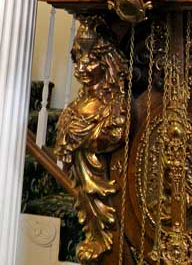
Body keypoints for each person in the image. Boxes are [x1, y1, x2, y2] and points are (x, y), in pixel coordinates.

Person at [55, 17, 127, 262]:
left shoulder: (112, 110)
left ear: (107, 63)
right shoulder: (78, 109)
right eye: (79, 58)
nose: (81, 68)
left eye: (92, 60)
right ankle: (97, 235)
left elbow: (111, 135)